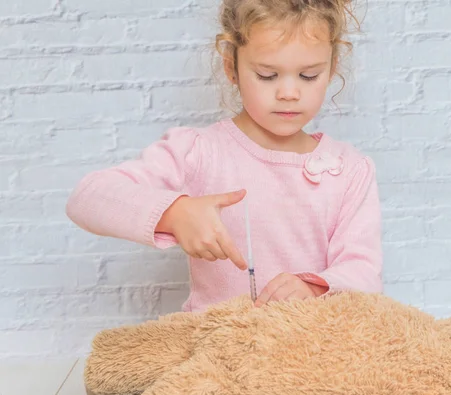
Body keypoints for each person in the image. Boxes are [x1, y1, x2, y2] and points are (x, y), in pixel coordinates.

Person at [66, 0, 383, 314]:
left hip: (307, 352)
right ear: (232, 67)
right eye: (267, 75)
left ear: (332, 67)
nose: (289, 92)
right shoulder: (198, 151)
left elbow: (365, 272)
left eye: (309, 76)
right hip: (216, 349)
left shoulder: (351, 170)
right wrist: (174, 213)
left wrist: (313, 287)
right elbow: (87, 198)